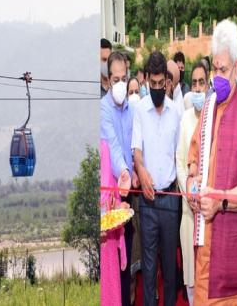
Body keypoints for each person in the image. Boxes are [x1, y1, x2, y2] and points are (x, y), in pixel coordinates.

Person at [187, 19, 237, 305]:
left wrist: (221, 202)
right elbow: (193, 161)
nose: (218, 76)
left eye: (224, 69)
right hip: (204, 249)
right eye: (214, 68)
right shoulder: (207, 109)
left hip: (231, 257)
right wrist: (192, 184)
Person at [132, 51, 180, 306]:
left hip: (171, 200)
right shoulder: (139, 110)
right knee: (149, 270)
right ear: (147, 80)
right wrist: (141, 170)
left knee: (170, 269)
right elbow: (136, 152)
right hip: (148, 203)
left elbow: (180, 156)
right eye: (154, 84)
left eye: (162, 85)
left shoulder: (176, 112)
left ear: (168, 83)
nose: (158, 89)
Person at [101, 50, 138, 306]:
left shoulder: (130, 108)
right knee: (113, 263)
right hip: (111, 201)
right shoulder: (103, 110)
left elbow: (133, 146)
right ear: (107, 82)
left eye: (124, 78)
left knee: (127, 260)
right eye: (115, 80)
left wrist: (134, 170)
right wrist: (125, 171)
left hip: (128, 194)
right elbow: (113, 147)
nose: (120, 85)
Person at [176, 61, 209, 305]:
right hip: (189, 210)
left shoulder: (214, 116)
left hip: (209, 212)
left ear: (208, 85)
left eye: (202, 82)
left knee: (207, 271)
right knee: (189, 271)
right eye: (194, 83)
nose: (197, 88)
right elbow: (179, 160)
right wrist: (188, 193)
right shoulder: (186, 118)